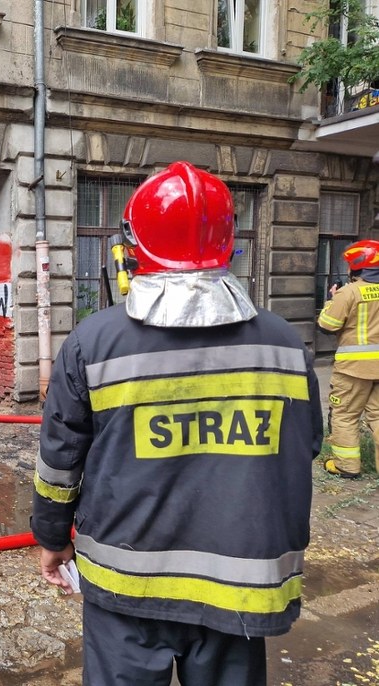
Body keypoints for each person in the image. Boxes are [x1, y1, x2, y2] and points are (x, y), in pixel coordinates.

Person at [31, 161, 323, 686]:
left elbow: (60, 463)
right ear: (228, 242)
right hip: (239, 584)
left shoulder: (93, 343)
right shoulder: (283, 343)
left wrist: (53, 538)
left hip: (128, 586)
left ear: (134, 246)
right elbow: (307, 446)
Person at [316, 239, 379, 479]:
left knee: (345, 415)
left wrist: (332, 300)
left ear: (357, 266)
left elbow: (327, 325)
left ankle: (347, 466)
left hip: (353, 369)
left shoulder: (349, 292)